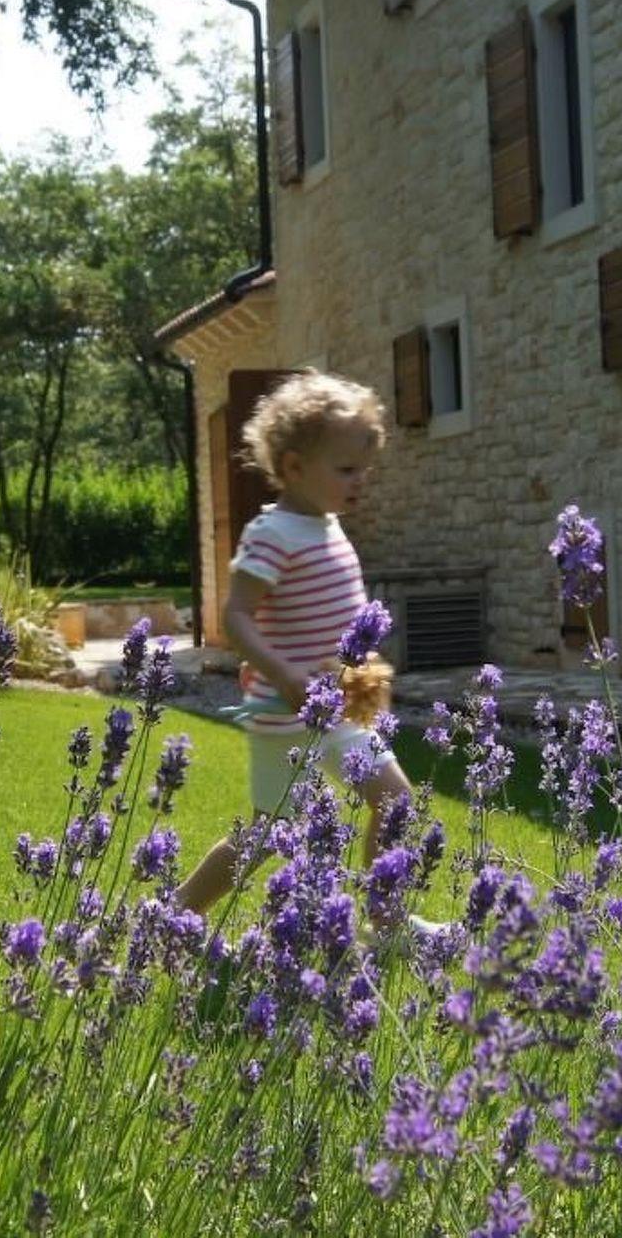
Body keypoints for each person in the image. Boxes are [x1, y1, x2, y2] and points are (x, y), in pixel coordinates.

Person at [172, 371, 425, 918]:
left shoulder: (328, 524)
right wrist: (283, 671)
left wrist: (366, 669)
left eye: (364, 469)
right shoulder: (272, 534)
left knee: (396, 800)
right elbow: (236, 617)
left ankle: (383, 920)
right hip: (287, 711)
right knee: (271, 832)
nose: (360, 480)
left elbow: (336, 615)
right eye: (346, 469)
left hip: (340, 707)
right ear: (293, 467)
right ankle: (177, 912)